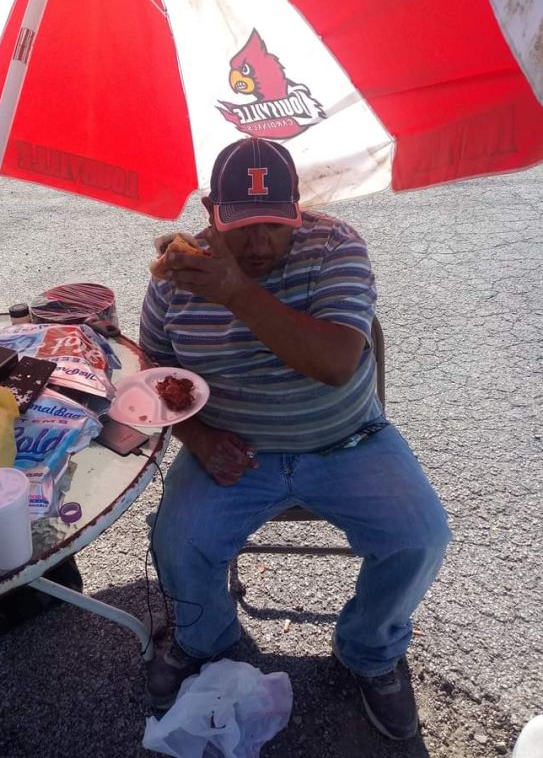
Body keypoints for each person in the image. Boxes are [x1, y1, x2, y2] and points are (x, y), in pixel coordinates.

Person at [139, 137, 452, 741]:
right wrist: (198, 437)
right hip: (230, 448)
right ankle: (205, 640)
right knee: (177, 541)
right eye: (241, 226)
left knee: (420, 537)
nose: (260, 244)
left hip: (348, 441)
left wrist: (236, 291)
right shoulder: (180, 273)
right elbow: (153, 366)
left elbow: (335, 363)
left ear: (297, 209)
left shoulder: (337, 247)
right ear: (211, 212)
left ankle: (370, 650)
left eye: (275, 225)